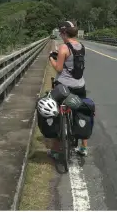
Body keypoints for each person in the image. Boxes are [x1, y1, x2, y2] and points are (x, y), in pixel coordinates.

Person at [47, 20, 89, 158]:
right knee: (81, 111)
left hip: (64, 86)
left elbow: (58, 68)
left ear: (64, 32)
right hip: (80, 85)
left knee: (55, 111)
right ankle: (83, 147)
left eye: (60, 31)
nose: (59, 33)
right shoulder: (81, 46)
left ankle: (55, 149)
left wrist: (51, 59)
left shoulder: (63, 48)